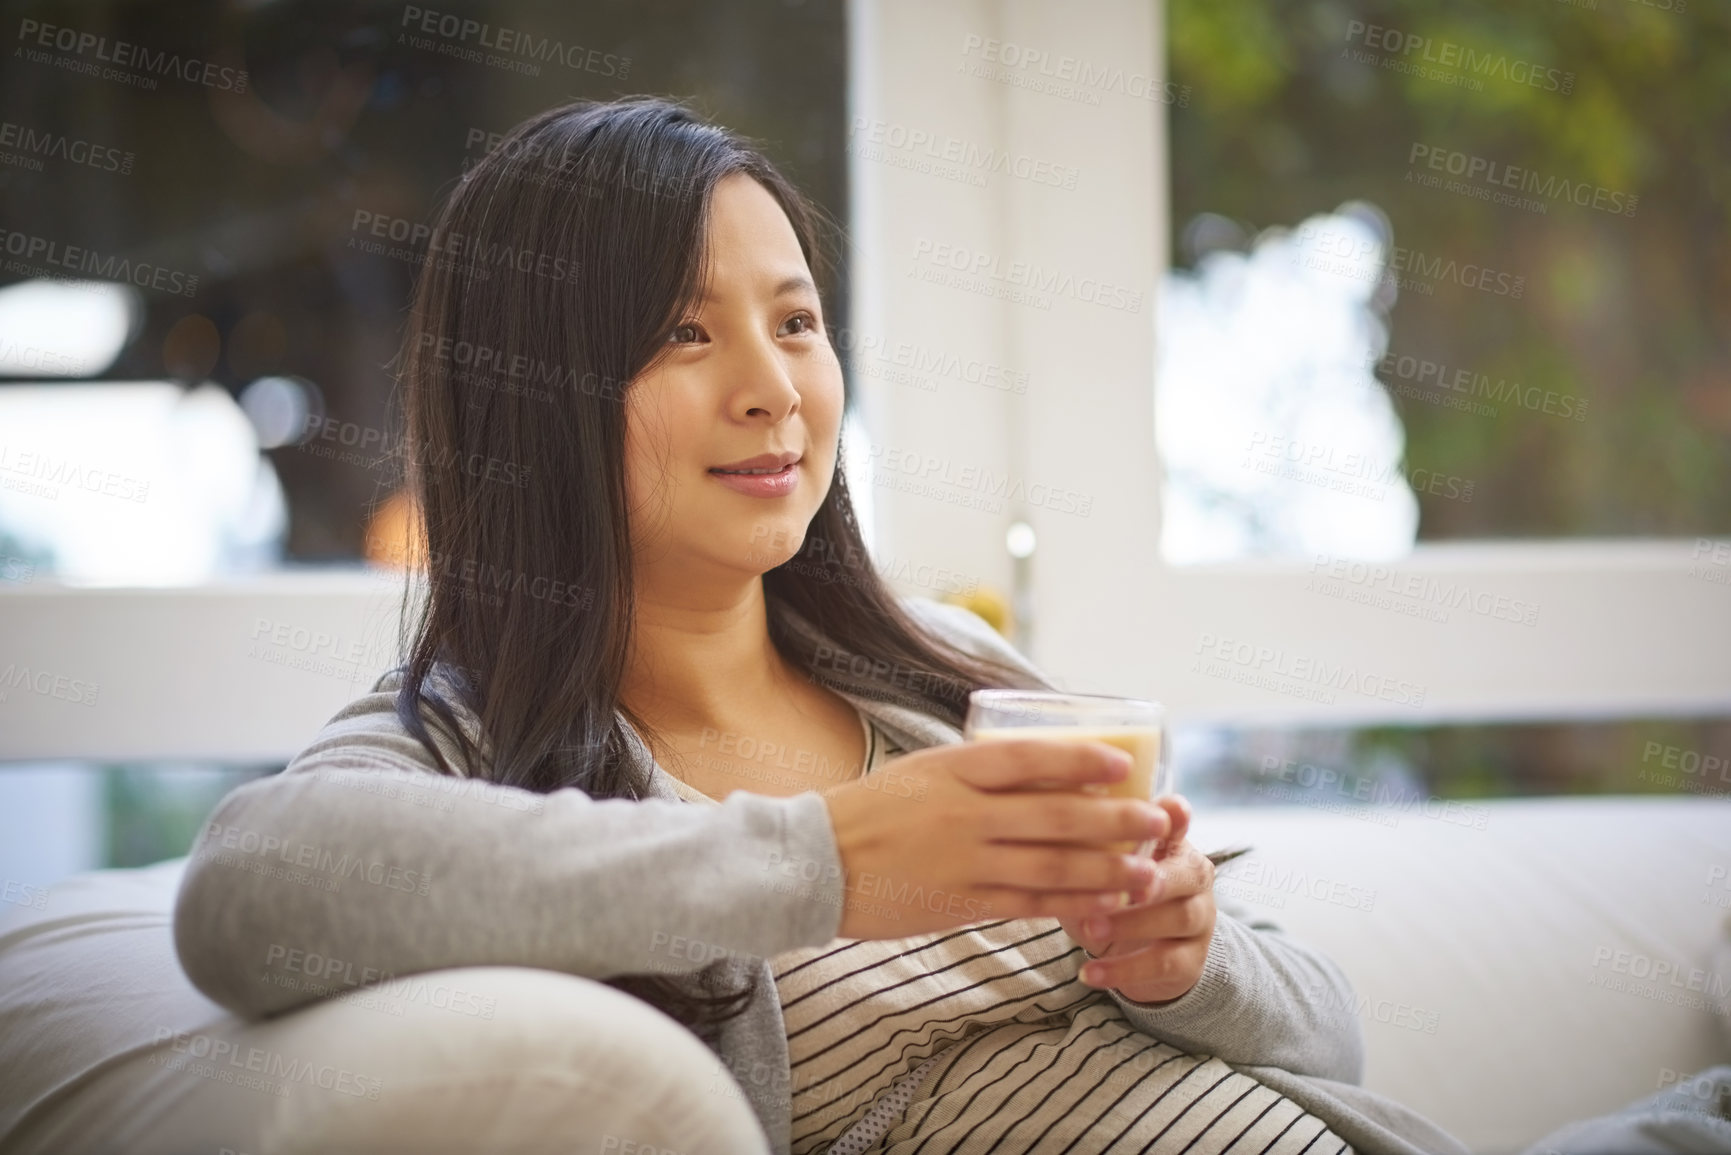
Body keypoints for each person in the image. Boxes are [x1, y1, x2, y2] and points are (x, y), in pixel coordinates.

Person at [173, 95, 1470, 1154]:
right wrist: (824, 865)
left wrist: (1187, 961)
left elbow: (1330, 1039)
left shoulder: (941, 679)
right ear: (533, 396)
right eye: (684, 333)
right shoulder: (479, 742)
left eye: (797, 322)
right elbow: (248, 892)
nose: (773, 388)